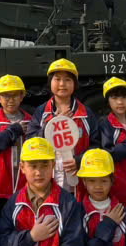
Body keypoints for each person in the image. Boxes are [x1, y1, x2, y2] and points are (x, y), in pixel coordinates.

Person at [28, 58, 92, 195]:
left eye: (68, 80)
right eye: (57, 79)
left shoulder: (86, 114)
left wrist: (79, 160)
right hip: (47, 181)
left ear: (74, 84)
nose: (62, 84)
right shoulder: (41, 112)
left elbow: (96, 144)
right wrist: (50, 126)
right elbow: (30, 141)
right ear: (50, 82)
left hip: (78, 183)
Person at [0, 74, 33, 231]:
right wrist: (14, 130)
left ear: (22, 96)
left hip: (25, 185)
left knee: (23, 228)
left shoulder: (30, 121)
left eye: (15, 95)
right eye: (5, 96)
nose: (10, 100)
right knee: (0, 231)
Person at [95, 77, 126, 211]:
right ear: (107, 101)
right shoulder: (106, 126)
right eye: (114, 98)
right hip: (117, 198)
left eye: (124, 97)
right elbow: (108, 155)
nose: (120, 102)